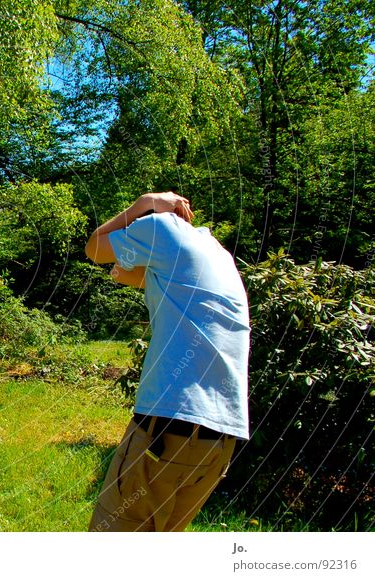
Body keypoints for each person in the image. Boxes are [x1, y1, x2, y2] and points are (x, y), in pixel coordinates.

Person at [83, 191, 250, 532]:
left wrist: (141, 204)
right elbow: (133, 275)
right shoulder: (217, 254)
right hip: (218, 442)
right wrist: (124, 264)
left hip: (168, 427)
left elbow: (95, 248)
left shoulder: (159, 227)